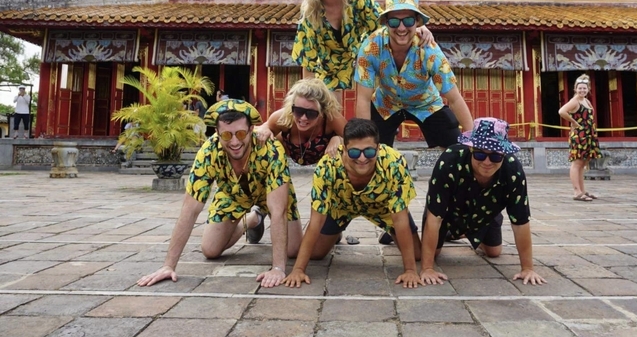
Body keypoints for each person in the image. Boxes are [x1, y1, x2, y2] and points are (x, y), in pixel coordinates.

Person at [135, 98, 302, 290]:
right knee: (211, 250)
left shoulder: (271, 149)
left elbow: (278, 209)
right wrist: (168, 266)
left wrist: (278, 268)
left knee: (293, 249)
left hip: (271, 194)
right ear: (217, 133)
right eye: (226, 135)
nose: (234, 142)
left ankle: (260, 215)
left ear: (250, 130)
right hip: (232, 195)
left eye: (240, 133)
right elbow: (190, 210)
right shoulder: (209, 152)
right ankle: (253, 219)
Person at [283, 118, 423, 289]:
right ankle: (335, 233)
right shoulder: (327, 166)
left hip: (384, 209)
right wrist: (298, 269)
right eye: (355, 153)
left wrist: (410, 270)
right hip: (340, 208)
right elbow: (316, 221)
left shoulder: (394, 163)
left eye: (369, 152)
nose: (362, 158)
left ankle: (390, 232)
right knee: (315, 254)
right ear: (344, 149)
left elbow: (400, 219)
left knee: (416, 255)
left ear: (378, 149)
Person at [419, 117, 547, 287]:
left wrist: (528, 268)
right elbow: (434, 217)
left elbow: (520, 222)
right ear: (471, 148)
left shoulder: (512, 169)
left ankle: (463, 233)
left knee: (494, 252)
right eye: (480, 154)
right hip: (447, 211)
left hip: (486, 211)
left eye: (495, 156)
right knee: (431, 253)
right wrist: (427, 268)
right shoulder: (449, 160)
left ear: (503, 154)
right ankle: (452, 232)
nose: (487, 162)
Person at [291, 0, 434, 91]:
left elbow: (382, 23)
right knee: (329, 110)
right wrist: (307, 96)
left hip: (363, 58)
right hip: (329, 71)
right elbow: (307, 58)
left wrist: (417, 25)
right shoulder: (310, 10)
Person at [354, 0, 473, 148]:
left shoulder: (430, 51)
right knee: (370, 148)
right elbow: (363, 98)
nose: (401, 28)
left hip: (425, 103)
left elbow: (454, 98)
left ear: (417, 22)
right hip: (386, 103)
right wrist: (364, 143)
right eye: (394, 22)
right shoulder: (371, 47)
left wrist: (473, 138)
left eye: (408, 21)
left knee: (456, 147)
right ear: (386, 23)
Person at [255, 78, 346, 165]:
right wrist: (264, 128)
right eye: (298, 111)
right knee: (261, 138)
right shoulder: (283, 116)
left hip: (325, 166)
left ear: (322, 111)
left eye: (311, 113)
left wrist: (339, 139)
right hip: (283, 161)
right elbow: (265, 127)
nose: (303, 118)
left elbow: (355, 140)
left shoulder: (331, 118)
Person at [558, 74, 602, 200]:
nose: (582, 90)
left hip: (588, 134)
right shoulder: (575, 101)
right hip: (579, 135)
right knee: (577, 163)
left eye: (584, 88)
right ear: (575, 89)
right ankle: (577, 191)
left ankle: (583, 190)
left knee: (583, 163)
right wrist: (574, 122)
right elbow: (561, 111)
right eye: (580, 88)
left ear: (588, 89)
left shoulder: (586, 101)